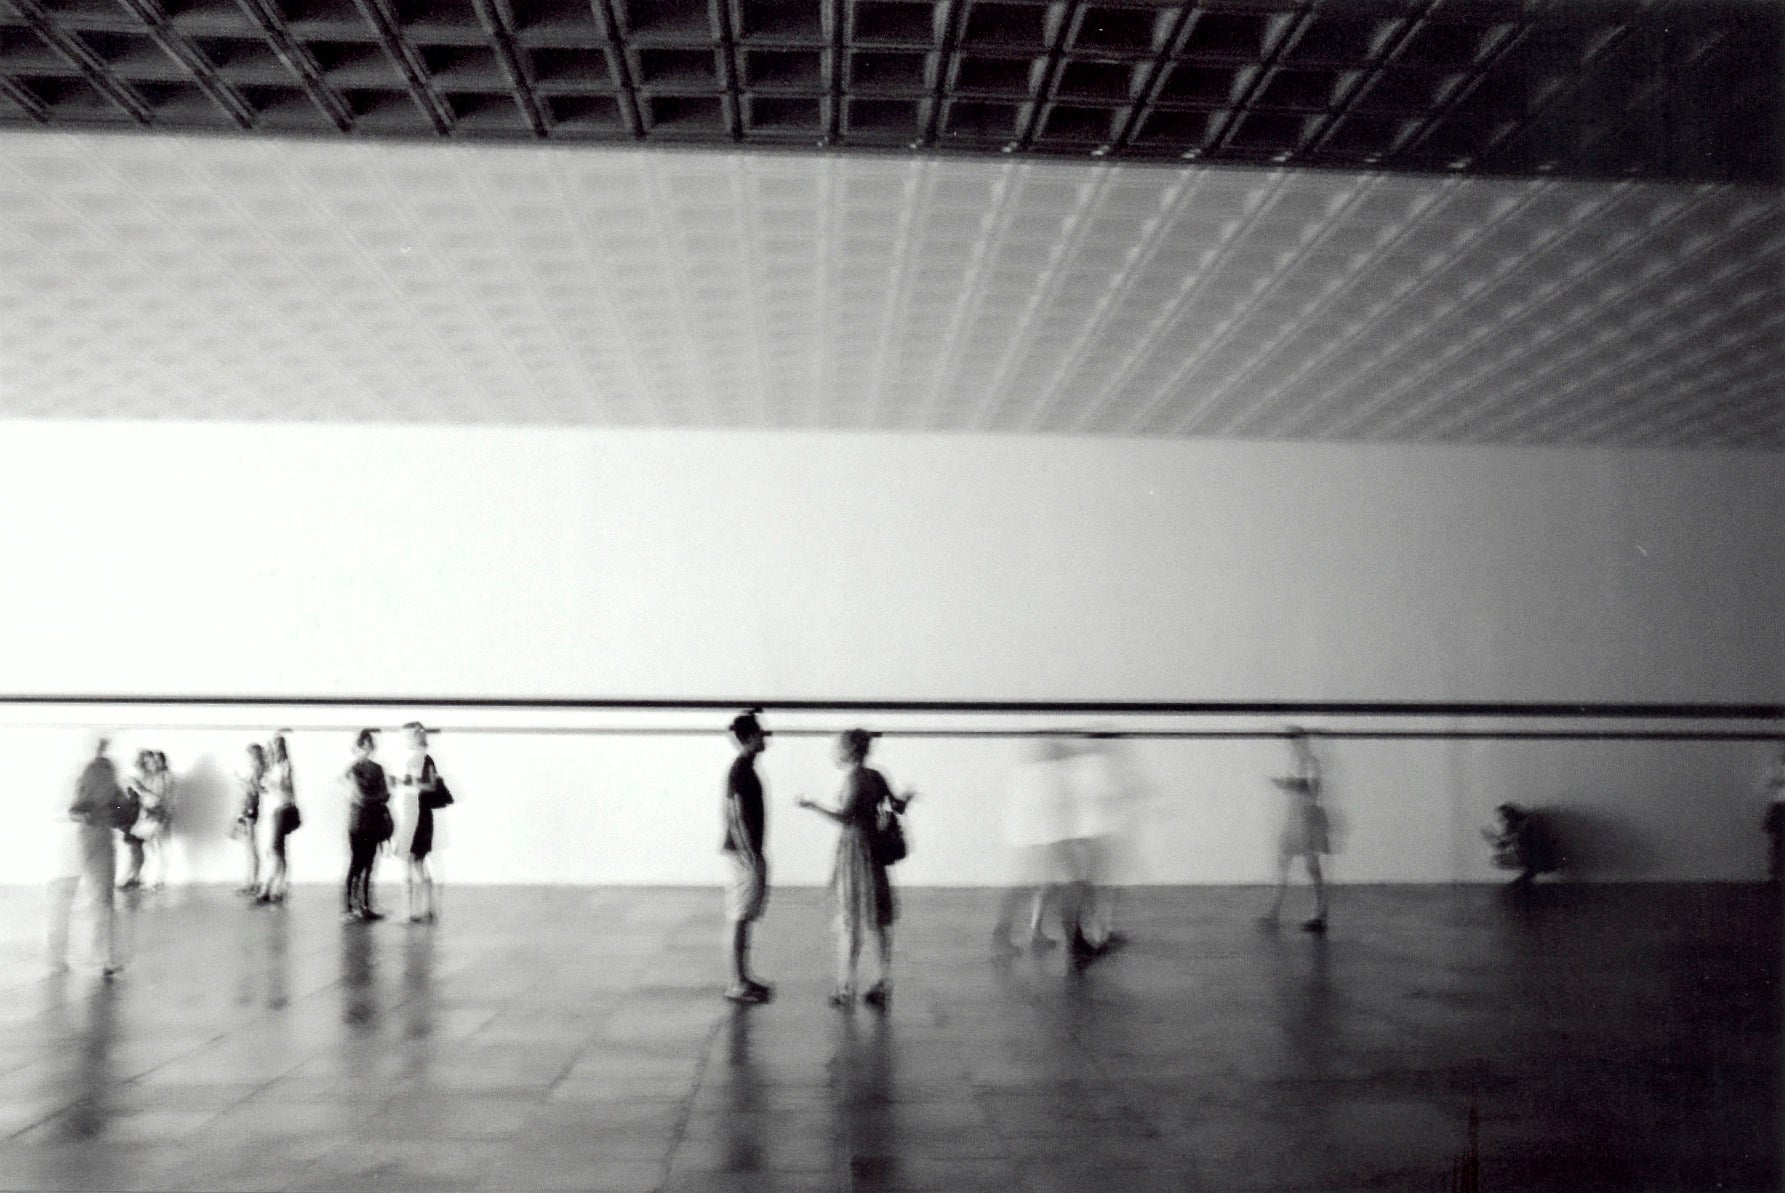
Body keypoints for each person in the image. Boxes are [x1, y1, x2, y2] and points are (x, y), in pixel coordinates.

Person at [798, 729, 912, 1009]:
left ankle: (845, 986)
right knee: (878, 920)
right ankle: (882, 982)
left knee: (850, 921)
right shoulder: (876, 775)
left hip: (854, 853)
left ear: (849, 750)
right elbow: (897, 805)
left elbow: (845, 816)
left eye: (839, 747)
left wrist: (813, 806)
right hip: (873, 852)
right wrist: (905, 799)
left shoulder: (853, 779)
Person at [50, 737, 127, 976]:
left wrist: (119, 808)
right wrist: (90, 815)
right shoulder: (91, 774)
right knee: (89, 900)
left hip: (98, 839)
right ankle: (77, 956)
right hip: (89, 840)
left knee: (99, 900)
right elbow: (75, 809)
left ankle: (101, 957)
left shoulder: (105, 775)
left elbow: (118, 808)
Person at [720, 710, 773, 1004]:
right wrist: (749, 852)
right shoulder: (740, 770)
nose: (765, 738)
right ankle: (736, 982)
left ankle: (742, 977)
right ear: (750, 737)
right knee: (739, 917)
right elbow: (735, 813)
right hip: (743, 856)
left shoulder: (744, 768)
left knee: (744, 917)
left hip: (745, 853)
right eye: (761, 733)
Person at [1262, 728, 1330, 933]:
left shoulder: (1311, 763)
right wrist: (1286, 785)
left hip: (1307, 819)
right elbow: (1300, 791)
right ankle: (1274, 912)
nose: (1293, 746)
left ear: (1304, 742)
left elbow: (1312, 793)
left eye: (1296, 742)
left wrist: (1287, 785)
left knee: (1312, 867)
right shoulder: (1297, 763)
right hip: (1294, 819)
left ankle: (1320, 914)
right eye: (1292, 743)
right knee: (1283, 863)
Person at [394, 722, 444, 924]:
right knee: (416, 863)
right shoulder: (416, 759)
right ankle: (425, 910)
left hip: (416, 817)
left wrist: (411, 783)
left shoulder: (422, 759)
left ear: (415, 737)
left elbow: (431, 785)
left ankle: (414, 912)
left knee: (411, 863)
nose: (404, 740)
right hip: (414, 815)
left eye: (407, 736)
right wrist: (404, 782)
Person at [343, 729, 391, 922]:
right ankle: (350, 908)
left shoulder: (377, 769)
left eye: (371, 743)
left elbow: (383, 794)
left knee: (369, 865)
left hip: (371, 821)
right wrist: (376, 797)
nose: (370, 747)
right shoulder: (353, 770)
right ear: (361, 746)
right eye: (367, 743)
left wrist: (372, 797)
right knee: (357, 864)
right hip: (359, 822)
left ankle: (364, 906)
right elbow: (361, 796)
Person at [258, 733, 299, 904]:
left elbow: (286, 791)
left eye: (277, 747)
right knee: (278, 851)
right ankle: (280, 888)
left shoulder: (285, 766)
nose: (274, 750)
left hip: (283, 809)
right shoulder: (273, 768)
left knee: (274, 849)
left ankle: (267, 889)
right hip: (274, 811)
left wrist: (270, 785)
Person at [119, 749, 158, 890]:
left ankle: (135, 878)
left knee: (137, 849)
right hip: (134, 816)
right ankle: (134, 877)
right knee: (135, 849)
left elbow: (147, 796)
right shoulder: (138, 777)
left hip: (139, 816)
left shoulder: (145, 778)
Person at [234, 743, 267, 896]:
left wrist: (242, 782)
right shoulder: (256, 770)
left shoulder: (258, 770)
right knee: (249, 847)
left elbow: (255, 790)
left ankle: (253, 882)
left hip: (250, 809)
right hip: (248, 809)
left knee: (251, 847)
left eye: (250, 756)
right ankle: (251, 881)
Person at [1764, 747, 1785, 884]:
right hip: (1779, 807)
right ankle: (1778, 873)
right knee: (1778, 843)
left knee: (1777, 843)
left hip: (1778, 807)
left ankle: (1777, 874)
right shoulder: (1778, 769)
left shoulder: (1777, 769)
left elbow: (1770, 783)